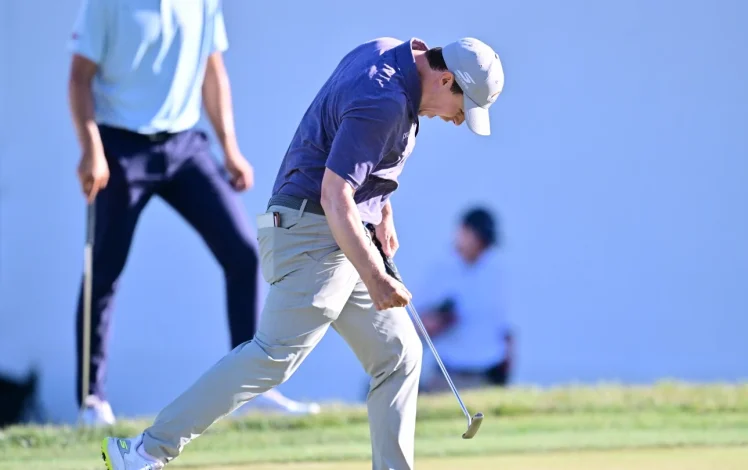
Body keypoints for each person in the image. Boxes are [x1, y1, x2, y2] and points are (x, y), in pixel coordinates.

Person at [101, 36, 505, 470]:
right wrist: (376, 277)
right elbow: (335, 195)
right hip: (313, 230)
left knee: (400, 353)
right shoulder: (385, 101)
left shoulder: (388, 51)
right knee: (273, 356)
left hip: (337, 228)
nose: (457, 121)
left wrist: (382, 211)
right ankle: (143, 452)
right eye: (462, 110)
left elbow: (349, 149)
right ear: (446, 79)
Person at [67, 0, 318, 427]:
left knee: (242, 252)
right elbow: (79, 79)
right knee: (104, 270)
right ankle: (92, 401)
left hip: (185, 146)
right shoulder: (106, 5)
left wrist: (230, 148)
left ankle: (252, 389)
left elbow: (212, 70)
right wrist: (91, 150)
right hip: (121, 148)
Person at [417, 207, 514, 393]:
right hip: (447, 376)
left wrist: (506, 370)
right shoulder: (440, 271)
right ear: (462, 231)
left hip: (487, 376)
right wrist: (438, 321)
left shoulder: (498, 271)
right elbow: (414, 323)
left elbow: (507, 328)